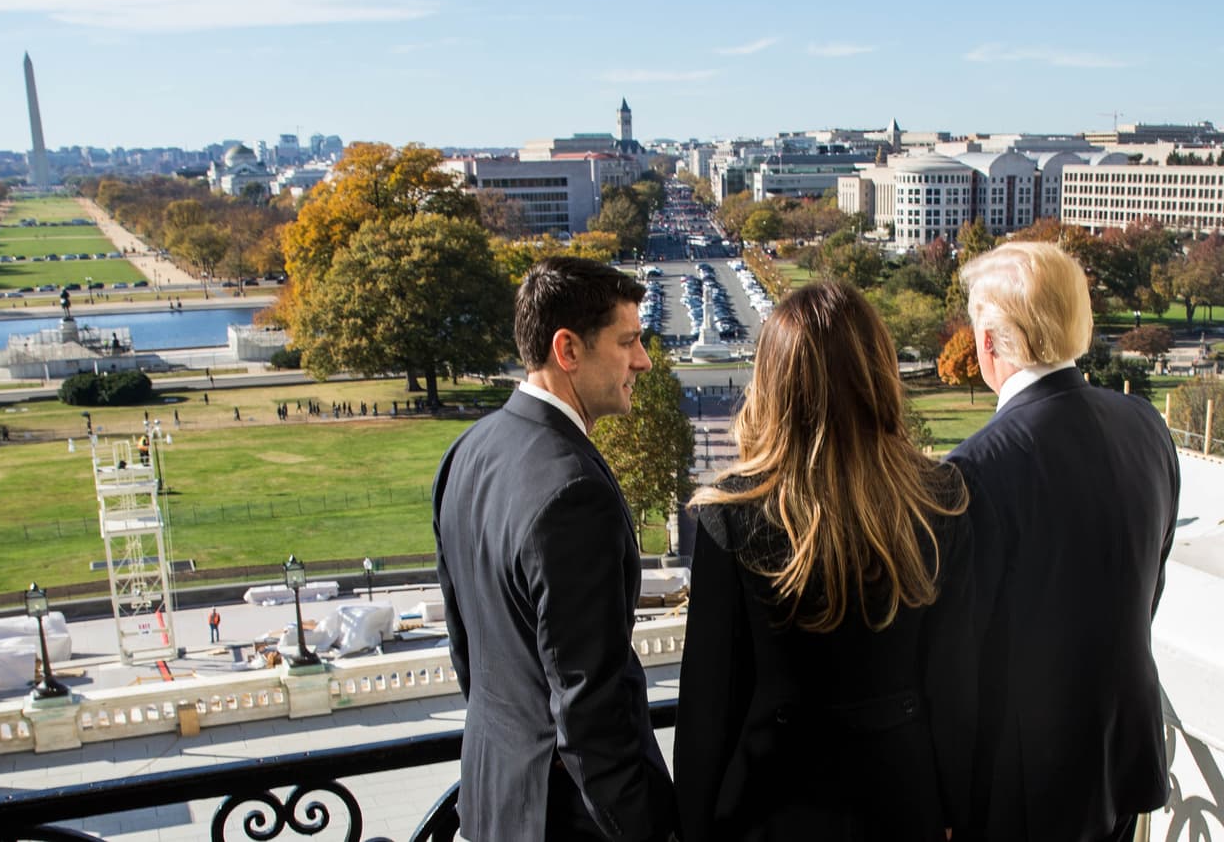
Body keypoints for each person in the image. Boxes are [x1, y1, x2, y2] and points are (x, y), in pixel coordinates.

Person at [674, 281, 971, 841]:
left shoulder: (730, 515)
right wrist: (957, 807)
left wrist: (692, 828)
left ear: (775, 382)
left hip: (772, 805)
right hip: (903, 802)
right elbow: (957, 685)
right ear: (878, 371)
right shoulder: (942, 499)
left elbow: (707, 713)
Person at [433, 256, 676, 842]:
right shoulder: (574, 493)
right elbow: (589, 706)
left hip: (493, 798)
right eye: (628, 341)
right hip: (566, 818)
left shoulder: (468, 452)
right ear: (568, 350)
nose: (642, 360)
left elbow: (470, 651)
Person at [946, 242, 1180, 841]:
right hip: (1122, 760)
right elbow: (1147, 585)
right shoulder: (1147, 427)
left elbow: (954, 657)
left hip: (1022, 789)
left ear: (990, 343)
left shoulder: (974, 470)